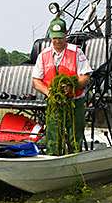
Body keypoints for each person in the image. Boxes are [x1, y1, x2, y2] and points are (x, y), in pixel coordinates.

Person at [32, 16, 92, 154]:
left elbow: (86, 77)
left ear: (66, 34)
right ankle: (53, 158)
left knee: (75, 137)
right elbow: (36, 81)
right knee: (53, 136)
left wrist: (72, 86)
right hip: (55, 103)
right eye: (54, 38)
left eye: (60, 37)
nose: (57, 41)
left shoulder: (77, 52)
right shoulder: (43, 55)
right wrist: (49, 92)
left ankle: (75, 159)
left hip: (75, 102)